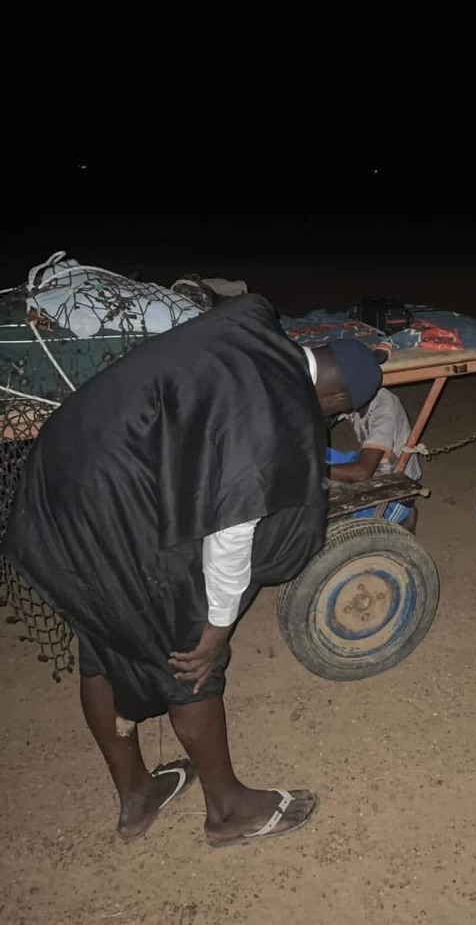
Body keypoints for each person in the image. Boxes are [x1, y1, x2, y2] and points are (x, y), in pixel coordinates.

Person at [2, 294, 383, 847]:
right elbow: (232, 530)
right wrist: (218, 627)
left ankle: (137, 794)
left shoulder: (252, 329)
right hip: (110, 508)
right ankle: (228, 810)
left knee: (105, 638)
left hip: (55, 482)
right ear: (338, 396)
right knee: (189, 651)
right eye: (334, 413)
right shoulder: (270, 412)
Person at [327, 386, 422, 532]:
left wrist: (314, 470)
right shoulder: (354, 396)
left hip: (394, 490)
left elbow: (363, 473)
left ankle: (404, 517)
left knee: (343, 533)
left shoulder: (384, 408)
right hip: (368, 466)